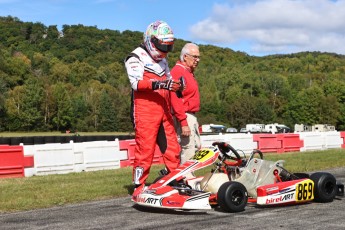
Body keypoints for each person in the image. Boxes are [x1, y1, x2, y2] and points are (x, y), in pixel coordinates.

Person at [124, 20, 182, 200]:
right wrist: (161, 83)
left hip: (163, 110)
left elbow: (169, 79)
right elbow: (136, 84)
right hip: (145, 111)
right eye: (162, 45)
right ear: (151, 40)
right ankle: (139, 185)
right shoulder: (135, 57)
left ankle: (177, 180)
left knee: (172, 147)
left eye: (169, 46)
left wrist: (176, 86)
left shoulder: (163, 60)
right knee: (145, 151)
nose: (165, 50)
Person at [170, 43, 201, 164]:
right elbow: (174, 97)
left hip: (189, 115)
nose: (197, 60)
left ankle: (186, 177)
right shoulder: (178, 71)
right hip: (184, 115)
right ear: (185, 57)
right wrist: (183, 121)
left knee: (193, 147)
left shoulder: (187, 72)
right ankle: (186, 179)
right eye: (194, 57)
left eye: (198, 57)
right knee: (188, 148)